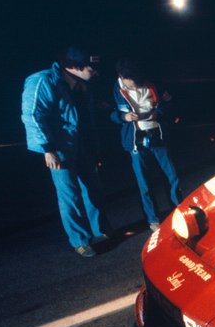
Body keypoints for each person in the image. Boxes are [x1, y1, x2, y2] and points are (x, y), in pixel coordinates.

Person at [21, 46, 112, 257]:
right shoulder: (43, 81)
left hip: (83, 145)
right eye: (92, 68)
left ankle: (101, 230)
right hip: (59, 147)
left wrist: (95, 149)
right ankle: (80, 240)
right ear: (75, 66)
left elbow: (85, 119)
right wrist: (47, 148)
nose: (96, 73)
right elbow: (33, 115)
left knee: (94, 188)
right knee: (69, 194)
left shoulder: (82, 85)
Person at [111, 59, 181, 231]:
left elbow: (169, 103)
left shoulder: (152, 82)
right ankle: (153, 219)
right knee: (144, 183)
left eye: (138, 82)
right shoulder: (115, 89)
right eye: (131, 83)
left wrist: (159, 113)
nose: (135, 86)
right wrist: (123, 118)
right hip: (136, 140)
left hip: (157, 134)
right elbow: (108, 113)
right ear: (121, 77)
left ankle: (179, 210)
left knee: (172, 176)